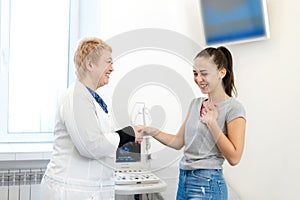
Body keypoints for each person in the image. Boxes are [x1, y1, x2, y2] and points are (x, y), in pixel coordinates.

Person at [138, 46, 246, 200]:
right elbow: (178, 142)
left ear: (221, 72)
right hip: (184, 180)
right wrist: (149, 130)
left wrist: (212, 124)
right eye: (195, 73)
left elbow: (235, 158)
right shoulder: (196, 104)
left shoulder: (233, 108)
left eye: (204, 73)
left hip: (208, 183)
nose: (198, 79)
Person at [41, 37, 141, 200]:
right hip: (71, 190)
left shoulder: (90, 98)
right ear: (90, 64)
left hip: (86, 189)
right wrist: (126, 135)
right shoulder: (77, 97)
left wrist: (125, 135)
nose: (112, 68)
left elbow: (97, 137)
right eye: (108, 62)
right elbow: (91, 146)